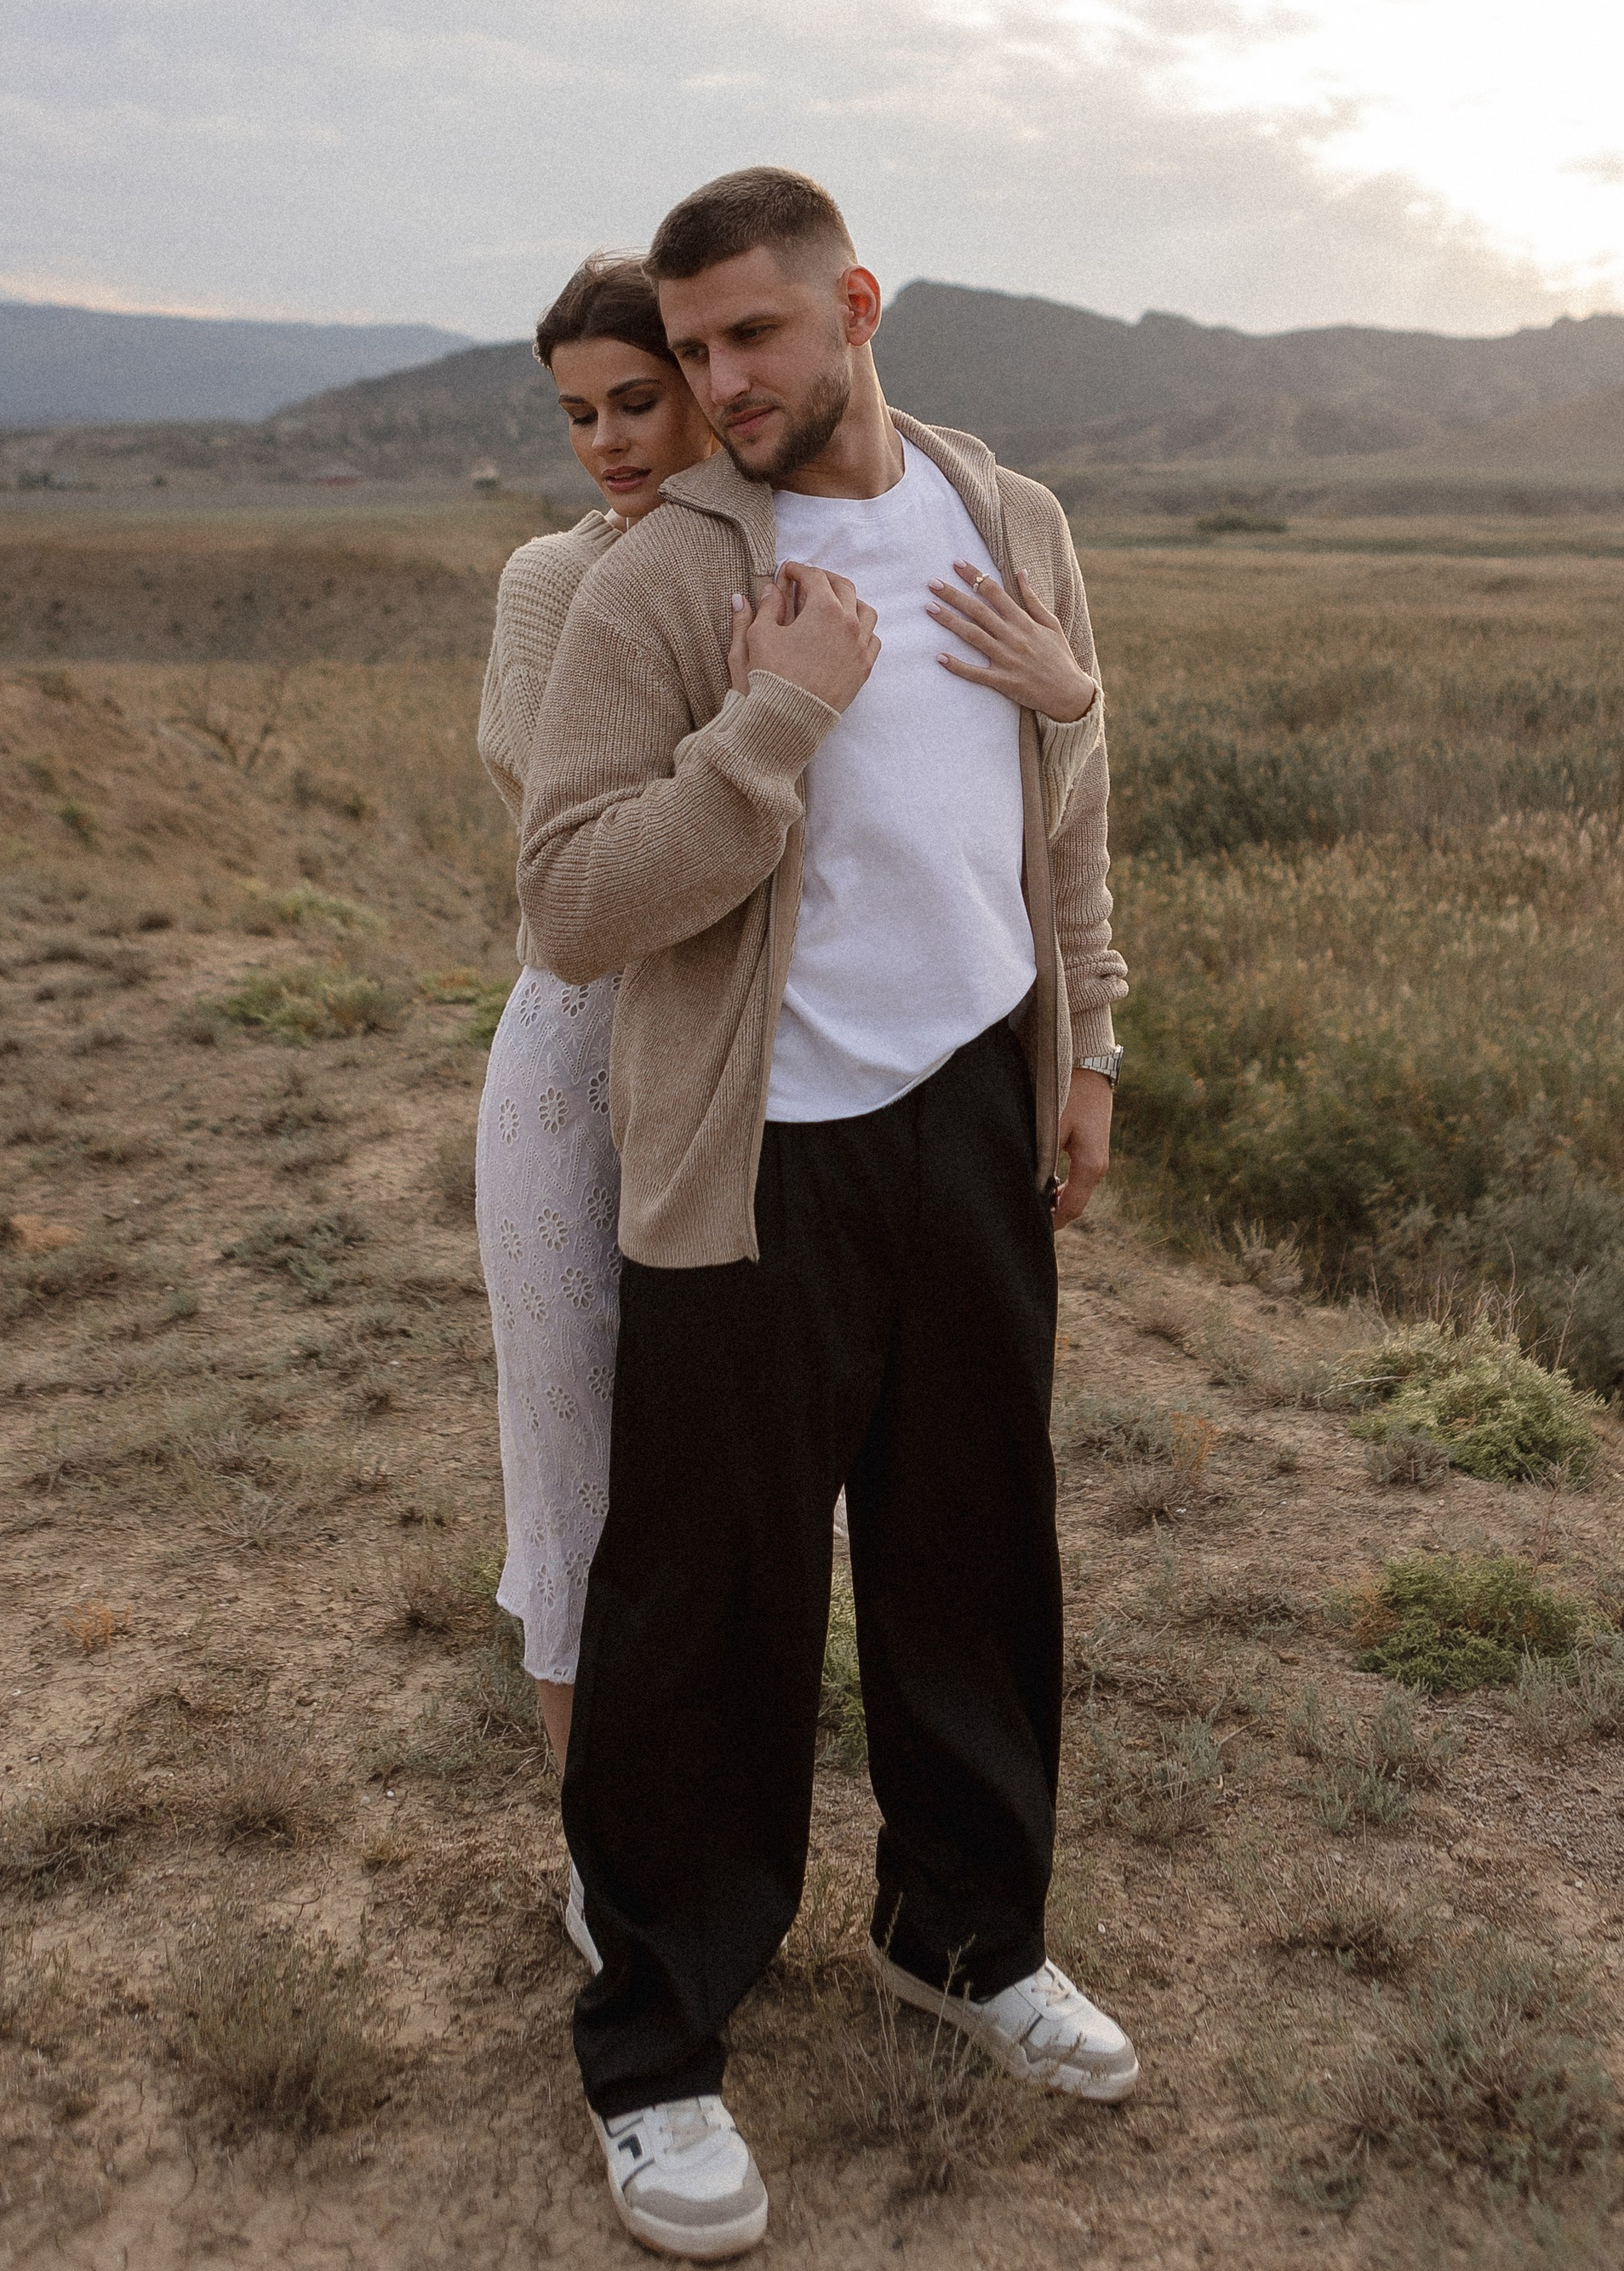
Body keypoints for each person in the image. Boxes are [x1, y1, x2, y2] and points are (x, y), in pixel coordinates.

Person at [518, 167, 1132, 2261]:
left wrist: (1092, 1047)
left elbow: (1063, 801)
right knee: (714, 1596)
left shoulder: (1008, 515)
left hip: (973, 1105)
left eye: (752, 339)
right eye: (690, 354)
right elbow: (576, 899)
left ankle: (963, 1942)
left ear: (853, 304)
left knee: (976, 1541)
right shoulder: (667, 584)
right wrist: (773, 716)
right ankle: (660, 2048)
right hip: (755, 1140)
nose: (719, 385)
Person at [473, 252, 716, 1959]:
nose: (609, 442)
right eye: (577, 413)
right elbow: (562, 821)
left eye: (638, 399)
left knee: (718, 1469)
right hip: (578, 1048)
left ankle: (703, 1813)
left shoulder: (775, 561)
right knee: (567, 1447)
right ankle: (596, 1849)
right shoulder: (554, 582)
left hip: (735, 1051)